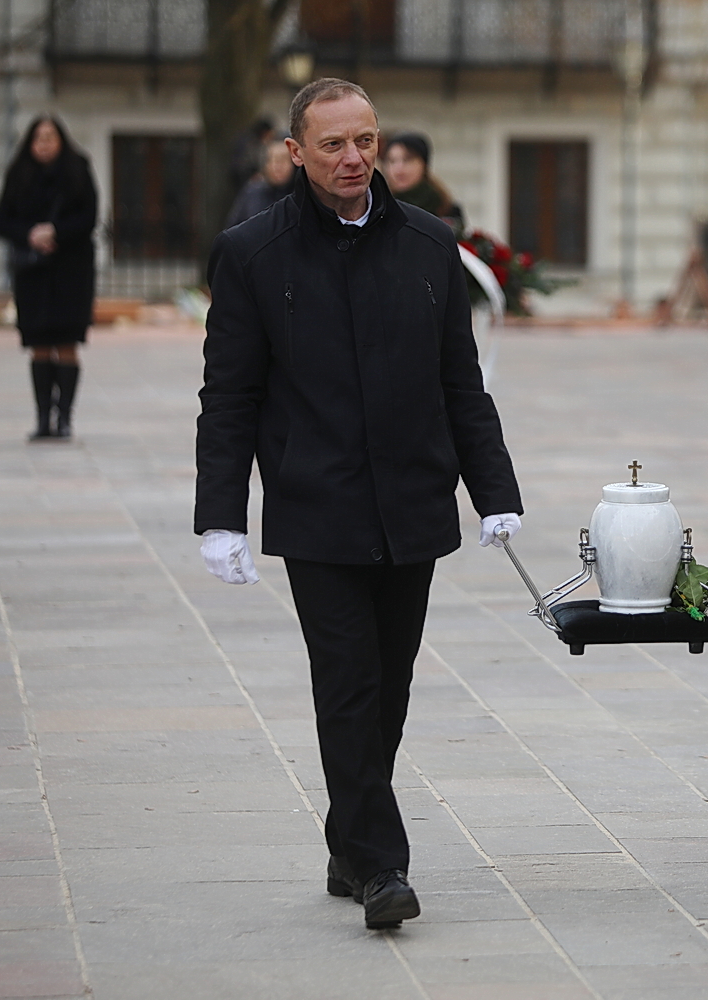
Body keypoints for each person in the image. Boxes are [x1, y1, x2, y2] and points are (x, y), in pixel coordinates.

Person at [194, 78, 523, 930]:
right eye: (334, 144)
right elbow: (229, 396)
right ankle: (382, 868)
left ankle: (348, 841)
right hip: (318, 507)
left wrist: (494, 491)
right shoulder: (252, 252)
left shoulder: (428, 243)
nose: (354, 158)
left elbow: (461, 382)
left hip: (412, 501)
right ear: (295, 152)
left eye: (365, 140)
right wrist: (221, 515)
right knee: (347, 682)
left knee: (390, 690)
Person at [0, 114, 99, 441]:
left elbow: (89, 217)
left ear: (61, 141)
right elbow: (0, 219)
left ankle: (64, 417)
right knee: (38, 342)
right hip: (33, 274)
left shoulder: (77, 170)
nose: (44, 144)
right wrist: (30, 234)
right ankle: (42, 418)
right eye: (39, 138)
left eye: (50, 137)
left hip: (71, 272)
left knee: (66, 341)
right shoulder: (19, 174)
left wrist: (56, 232)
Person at [383, 132, 465, 231]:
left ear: (424, 164)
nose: (398, 169)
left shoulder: (446, 209)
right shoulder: (380, 208)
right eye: (392, 161)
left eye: (407, 160)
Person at [223, 138, 295, 229]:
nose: (278, 166)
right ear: (265, 165)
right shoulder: (252, 192)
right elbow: (232, 227)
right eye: (273, 160)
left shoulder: (300, 194)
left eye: (283, 160)